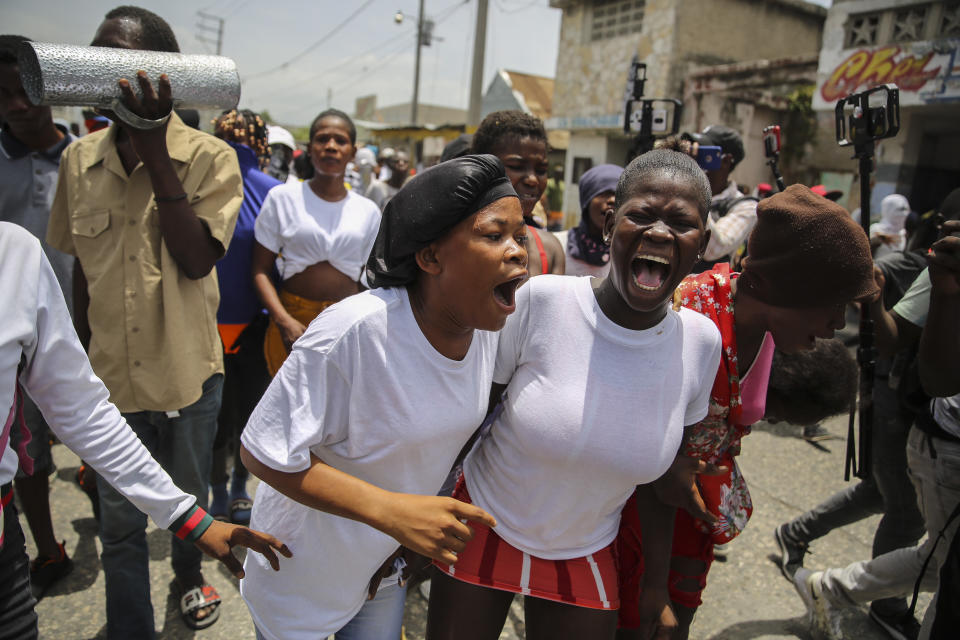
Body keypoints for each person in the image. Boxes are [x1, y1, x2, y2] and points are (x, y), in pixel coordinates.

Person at [426, 149, 722, 640]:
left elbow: (664, 482)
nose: (659, 233)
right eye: (641, 215)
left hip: (586, 549)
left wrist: (655, 588)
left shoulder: (700, 342)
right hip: (483, 522)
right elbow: (469, 418)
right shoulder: (541, 301)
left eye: (681, 223)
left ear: (703, 243)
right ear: (610, 225)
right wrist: (422, 514)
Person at [238, 154, 526, 640]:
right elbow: (262, 450)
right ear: (430, 257)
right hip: (299, 568)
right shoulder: (353, 332)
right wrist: (393, 513)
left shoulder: (487, 329)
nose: (517, 251)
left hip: (383, 568)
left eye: (520, 235)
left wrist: (403, 537)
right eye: (494, 235)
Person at [45, 6, 244, 635]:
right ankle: (129, 626)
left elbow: (192, 260)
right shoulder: (79, 160)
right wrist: (77, 362)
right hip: (110, 385)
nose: (108, 74)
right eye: (97, 57)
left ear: (162, 76)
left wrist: (157, 150)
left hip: (187, 380)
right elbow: (81, 267)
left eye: (121, 59)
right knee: (121, 524)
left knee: (188, 507)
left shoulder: (211, 158)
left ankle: (188, 577)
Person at [0, 222, 290, 640]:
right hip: (120, 375)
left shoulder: (15, 252)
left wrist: (194, 522)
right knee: (118, 529)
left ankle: (186, 580)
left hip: (4, 552)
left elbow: (80, 409)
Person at [615, 183, 880, 640]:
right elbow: (654, 470)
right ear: (786, 286)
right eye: (834, 305)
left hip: (688, 527)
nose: (839, 324)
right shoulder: (685, 316)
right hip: (637, 523)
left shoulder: (771, 329)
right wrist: (655, 587)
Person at [792, 216, 960, 640]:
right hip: (923, 423)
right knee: (907, 517)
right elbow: (910, 355)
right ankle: (875, 603)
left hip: (912, 417)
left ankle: (825, 582)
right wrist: (879, 300)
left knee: (920, 535)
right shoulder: (928, 271)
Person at [0, 33, 76, 599]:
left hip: (82, 326)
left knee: (95, 435)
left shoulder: (85, 157)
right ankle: (45, 547)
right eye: (3, 93)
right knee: (28, 454)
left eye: (26, 89)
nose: (18, 104)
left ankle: (103, 504)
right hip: (13, 337)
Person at [252, 108, 381, 377]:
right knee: (289, 408)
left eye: (340, 141)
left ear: (352, 152)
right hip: (292, 320)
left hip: (344, 322)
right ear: (310, 149)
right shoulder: (283, 198)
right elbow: (260, 270)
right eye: (323, 139)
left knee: (337, 410)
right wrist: (283, 320)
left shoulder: (367, 210)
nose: (331, 147)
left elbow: (366, 281)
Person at [209, 109, 280, 526]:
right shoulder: (200, 184)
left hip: (248, 323)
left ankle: (236, 487)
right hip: (217, 322)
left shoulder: (273, 192)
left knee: (245, 414)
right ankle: (220, 488)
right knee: (218, 416)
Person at [471, 110, 565, 277]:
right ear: (481, 167)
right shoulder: (457, 243)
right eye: (516, 166)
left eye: (541, 170)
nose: (533, 179)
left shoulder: (550, 249)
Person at [683, 125, 758, 272]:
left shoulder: (746, 206)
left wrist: (693, 182)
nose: (695, 158)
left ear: (726, 161)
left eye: (703, 153)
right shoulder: (679, 188)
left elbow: (713, 250)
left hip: (700, 291)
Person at [554, 163, 621, 277]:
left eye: (619, 195)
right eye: (603, 193)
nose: (612, 200)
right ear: (586, 200)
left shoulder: (628, 255)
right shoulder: (556, 246)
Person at [872, 193, 911, 259]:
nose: (904, 214)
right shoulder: (876, 230)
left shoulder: (903, 233)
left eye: (905, 210)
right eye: (900, 209)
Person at [545, 163, 565, 231]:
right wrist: (547, 210)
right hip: (551, 212)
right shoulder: (550, 182)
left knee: (558, 232)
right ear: (555, 173)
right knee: (549, 231)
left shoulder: (562, 184)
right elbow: (545, 197)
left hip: (559, 213)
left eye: (560, 173)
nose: (559, 174)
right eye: (557, 173)